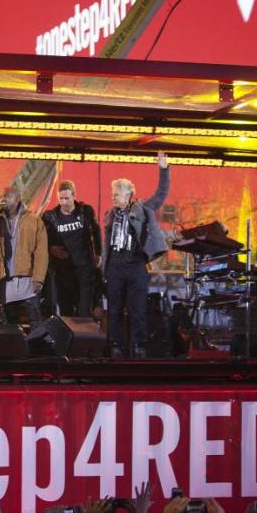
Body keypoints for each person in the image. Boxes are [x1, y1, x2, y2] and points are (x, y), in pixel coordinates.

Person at [103, 151, 170, 358]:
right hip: (115, 264)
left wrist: (163, 169)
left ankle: (138, 346)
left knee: (137, 309)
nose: (112, 197)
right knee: (114, 309)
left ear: (128, 195)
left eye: (116, 194)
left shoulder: (142, 208)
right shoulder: (110, 214)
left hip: (135, 264)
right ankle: (116, 346)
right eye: (112, 194)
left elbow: (161, 193)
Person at [42, 180, 101, 318]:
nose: (63, 202)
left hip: (84, 268)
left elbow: (97, 232)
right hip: (63, 271)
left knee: (84, 310)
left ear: (74, 196)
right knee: (65, 310)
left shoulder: (85, 212)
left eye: (67, 198)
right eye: (61, 198)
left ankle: (85, 338)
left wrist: (98, 253)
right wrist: (50, 249)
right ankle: (69, 338)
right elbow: (41, 241)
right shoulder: (50, 217)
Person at [0, 186, 48, 330]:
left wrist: (38, 278)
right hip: (7, 281)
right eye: (2, 196)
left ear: (17, 200)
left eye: (7, 196)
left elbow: (41, 252)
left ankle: (37, 350)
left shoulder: (34, 220)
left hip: (28, 280)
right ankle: (14, 351)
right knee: (11, 324)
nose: (3, 199)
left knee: (35, 321)